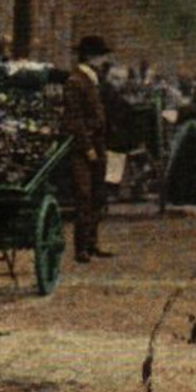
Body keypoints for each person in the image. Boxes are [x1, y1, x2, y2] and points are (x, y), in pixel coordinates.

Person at [64, 36, 114, 263]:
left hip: (99, 143)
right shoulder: (76, 81)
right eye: (102, 55)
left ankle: (93, 243)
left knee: (98, 194)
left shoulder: (94, 79)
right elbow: (74, 119)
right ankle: (81, 247)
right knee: (84, 195)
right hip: (84, 148)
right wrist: (87, 148)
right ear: (91, 57)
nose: (105, 60)